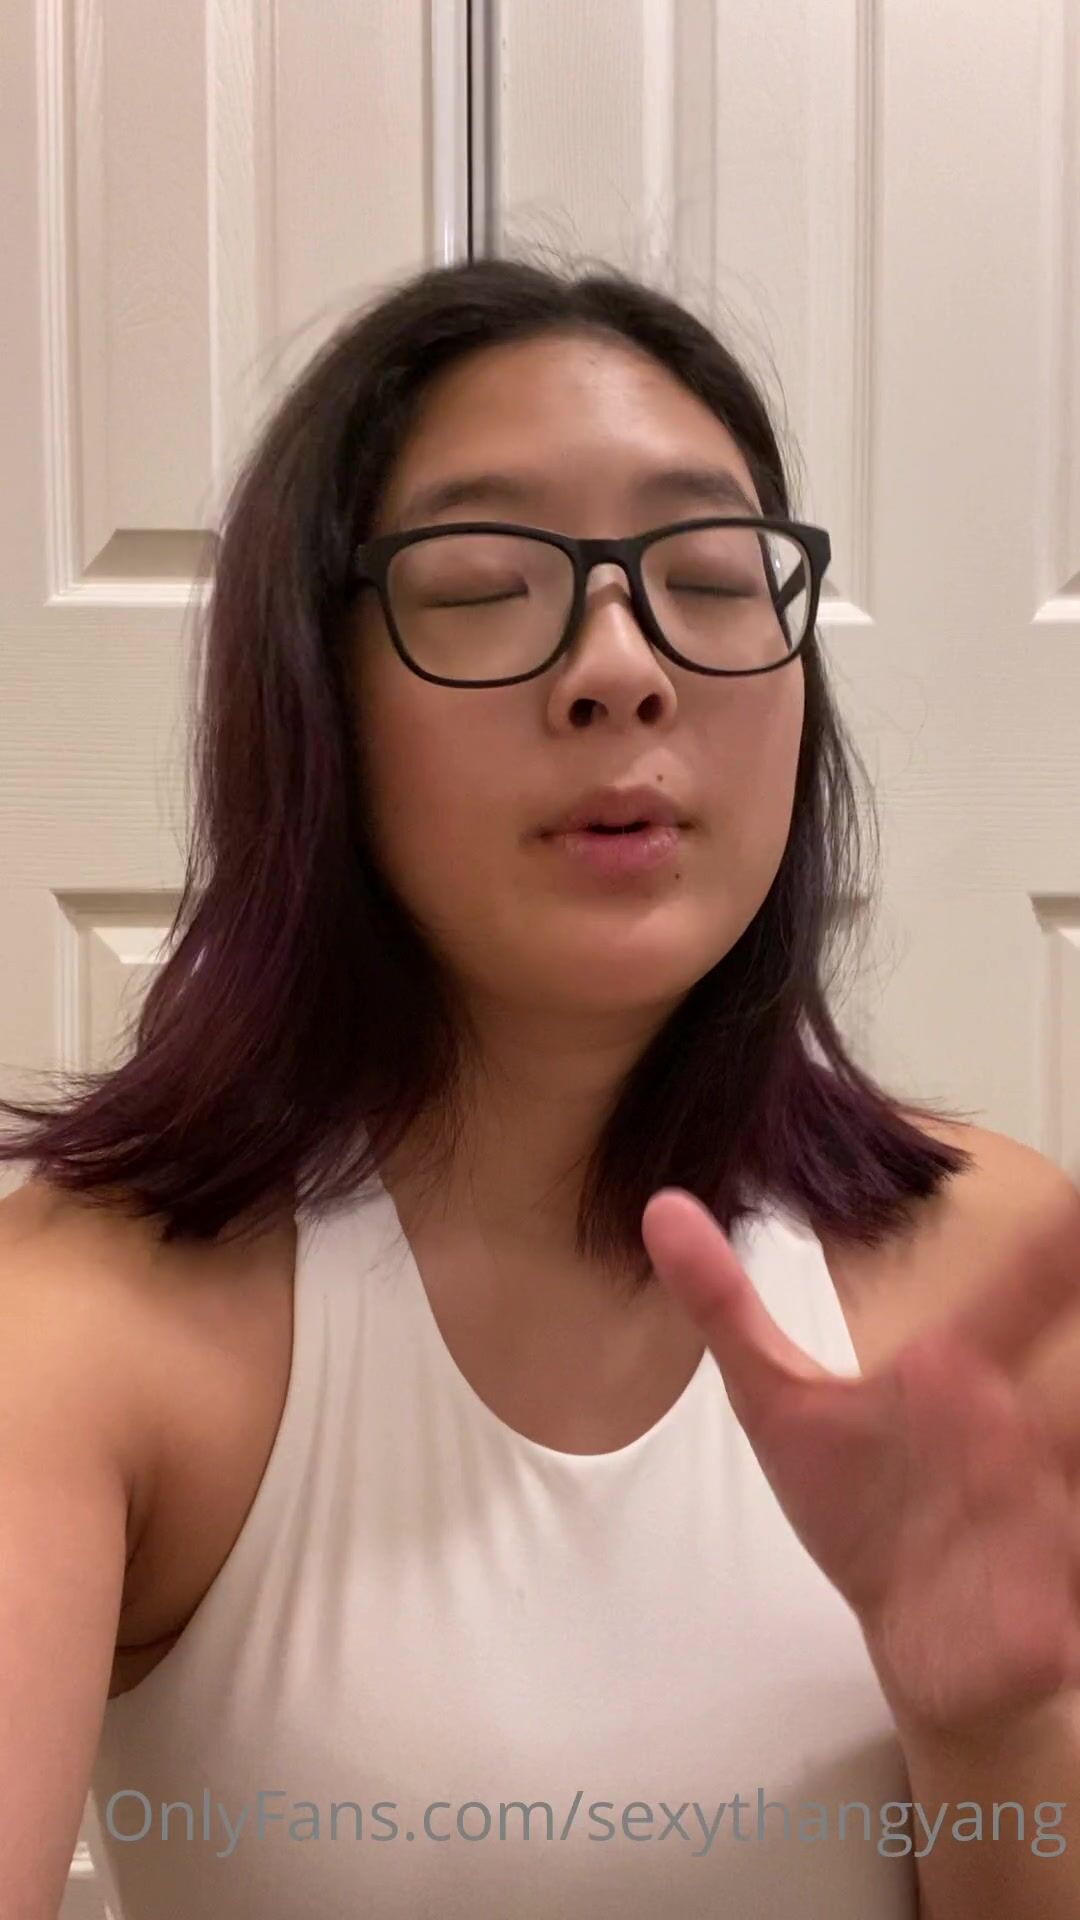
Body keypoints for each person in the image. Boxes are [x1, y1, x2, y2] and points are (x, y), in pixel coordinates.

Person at [1, 254, 1078, 1920]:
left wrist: (994, 1733)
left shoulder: (990, 1277)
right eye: (486, 584)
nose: (621, 666)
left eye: (709, 575)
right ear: (316, 697)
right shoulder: (92, 1322)